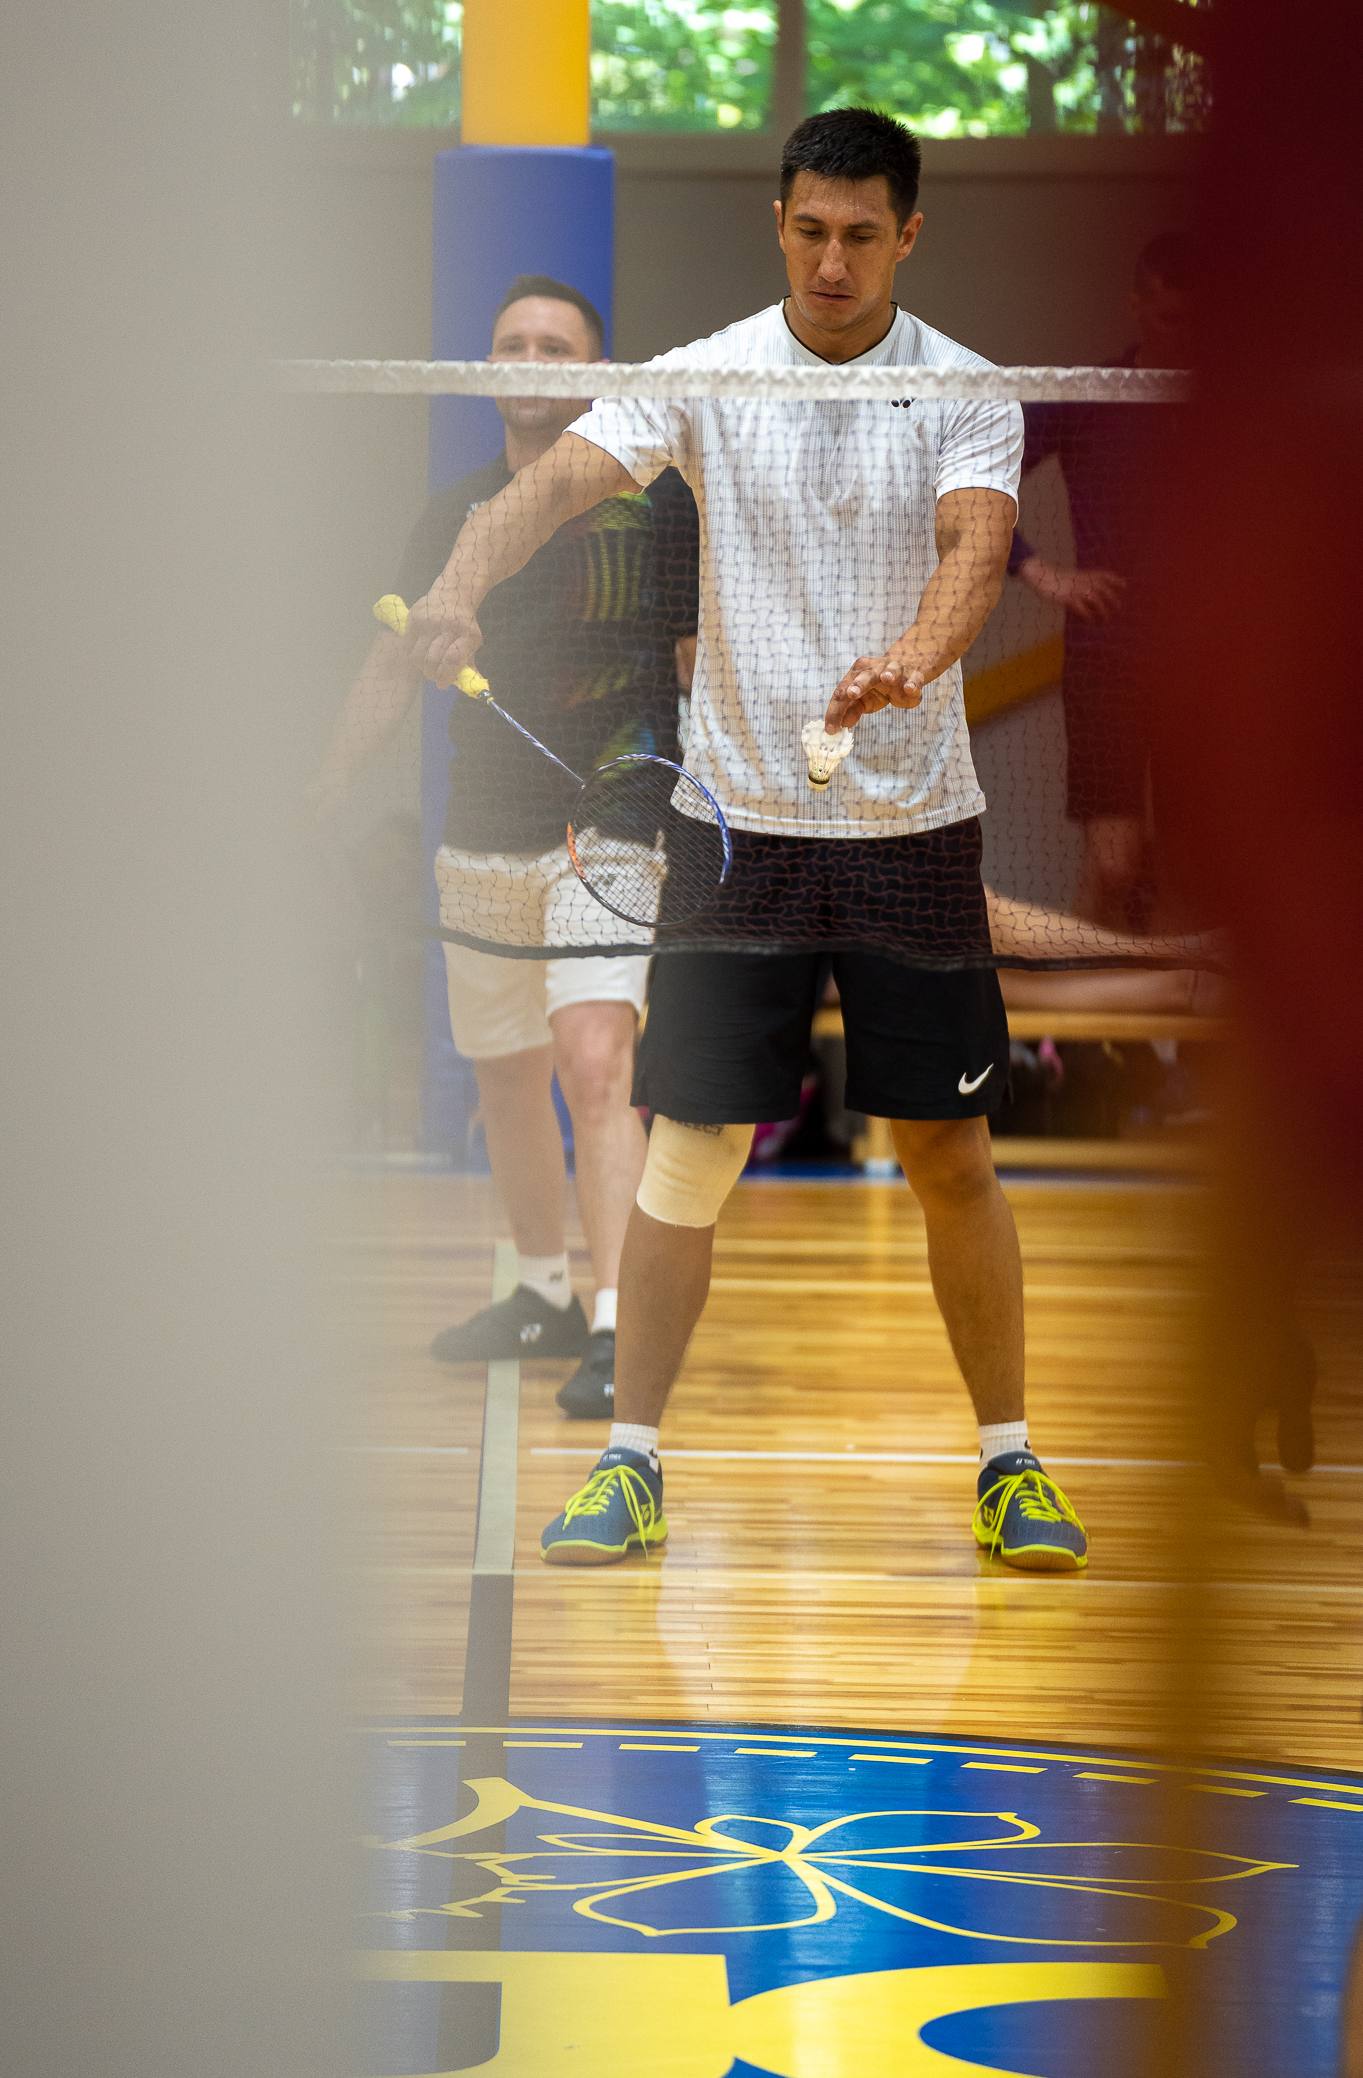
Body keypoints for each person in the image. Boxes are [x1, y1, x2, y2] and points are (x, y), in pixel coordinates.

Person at [401, 108, 1090, 1576]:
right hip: (736, 839)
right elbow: (549, 488)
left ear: (908, 236)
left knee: (949, 1155)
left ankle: (1009, 1463)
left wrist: (912, 658)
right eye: (809, 231)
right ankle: (631, 1463)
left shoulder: (966, 391)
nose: (832, 261)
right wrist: (459, 582)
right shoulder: (704, 376)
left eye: (862, 235)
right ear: (777, 224)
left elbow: (975, 547)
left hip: (909, 832)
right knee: (689, 1158)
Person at [314, 275, 697, 1418]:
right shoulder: (454, 516)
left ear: (594, 374)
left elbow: (699, 656)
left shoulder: (651, 503)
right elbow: (395, 658)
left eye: (554, 345)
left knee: (596, 1062)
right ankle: (541, 1292)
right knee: (506, 1071)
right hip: (482, 827)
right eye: (511, 344)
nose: (530, 360)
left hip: (611, 819)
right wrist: (327, 778)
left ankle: (621, 1321)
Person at [1008, 233, 1196, 930]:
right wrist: (1042, 573)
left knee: (1188, 871)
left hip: (1204, 670)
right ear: (1138, 307)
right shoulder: (1091, 394)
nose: (1187, 334)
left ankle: (1170, 1008)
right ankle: (1072, 1005)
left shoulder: (1235, 404)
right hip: (1106, 663)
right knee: (1115, 866)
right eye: (1172, 318)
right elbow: (976, 484)